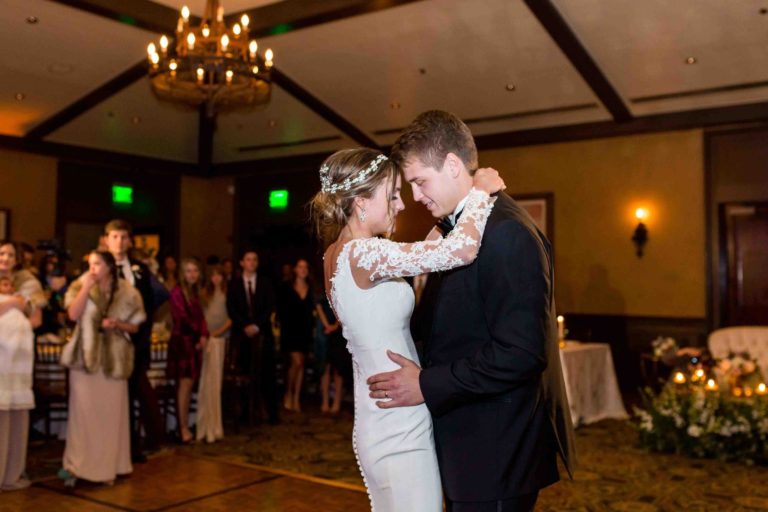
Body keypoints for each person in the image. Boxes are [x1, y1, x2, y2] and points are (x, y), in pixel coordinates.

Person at [367, 110, 576, 512]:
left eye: (419, 181)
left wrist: (426, 384)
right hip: (469, 446)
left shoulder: (507, 232)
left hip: (495, 453)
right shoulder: (460, 232)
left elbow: (520, 353)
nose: (415, 197)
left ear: (451, 165)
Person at [311, 147, 503, 511]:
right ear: (362, 201)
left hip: (383, 414)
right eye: (393, 195)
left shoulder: (339, 253)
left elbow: (422, 255)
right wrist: (480, 192)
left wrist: (449, 213)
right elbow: (460, 252)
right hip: (398, 422)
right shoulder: (363, 254)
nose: (401, 205)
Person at [59, 250, 145, 487]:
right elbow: (72, 314)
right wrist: (86, 288)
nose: (93, 268)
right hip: (84, 357)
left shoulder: (127, 291)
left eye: (97, 264)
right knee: (82, 415)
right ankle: (75, 467)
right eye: (90, 264)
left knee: (109, 417)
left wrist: (117, 324)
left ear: (108, 266)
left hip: (113, 359)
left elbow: (136, 327)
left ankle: (108, 468)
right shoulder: (80, 285)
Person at [104, 220, 166, 461]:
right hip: (107, 342)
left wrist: (139, 333)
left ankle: (130, 446)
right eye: (115, 237)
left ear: (129, 241)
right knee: (109, 396)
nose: (119, 242)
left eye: (123, 237)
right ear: (106, 239)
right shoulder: (97, 266)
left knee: (131, 395)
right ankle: (108, 447)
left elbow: (151, 305)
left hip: (135, 342)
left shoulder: (139, 269)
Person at [0, 241, 45, 492]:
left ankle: (11, 473)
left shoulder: (28, 284)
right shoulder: (15, 296)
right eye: (1, 253)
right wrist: (12, 303)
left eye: (10, 254)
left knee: (16, 415)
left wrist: (22, 307)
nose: (5, 258)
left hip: (19, 358)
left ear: (17, 259)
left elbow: (37, 319)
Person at [226, 249, 278, 425]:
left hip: (263, 335)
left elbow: (270, 306)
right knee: (244, 376)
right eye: (248, 259)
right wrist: (245, 326)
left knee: (267, 375)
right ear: (242, 263)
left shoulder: (265, 282)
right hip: (242, 337)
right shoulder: (234, 284)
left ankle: (271, 414)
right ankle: (244, 413)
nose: (251, 262)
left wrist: (256, 325)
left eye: (254, 259)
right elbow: (231, 308)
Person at [168, 258, 208, 444]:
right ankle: (182, 428)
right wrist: (196, 337)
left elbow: (201, 319)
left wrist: (203, 335)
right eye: (188, 271)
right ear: (182, 274)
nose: (192, 274)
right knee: (184, 386)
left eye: (195, 271)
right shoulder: (177, 292)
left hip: (194, 343)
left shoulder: (195, 293)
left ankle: (184, 426)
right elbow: (181, 319)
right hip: (183, 344)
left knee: (189, 385)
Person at [277, 259, 315, 413]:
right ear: (295, 269)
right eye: (300, 266)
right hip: (290, 330)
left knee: (301, 364)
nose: (303, 269)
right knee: (296, 362)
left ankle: (296, 397)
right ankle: (288, 393)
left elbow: (312, 310)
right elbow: (280, 310)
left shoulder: (311, 288)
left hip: (305, 331)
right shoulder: (286, 287)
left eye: (305, 267)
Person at [197, 265, 230, 443]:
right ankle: (203, 422)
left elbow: (230, 319)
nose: (216, 278)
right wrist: (205, 334)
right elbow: (200, 317)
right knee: (205, 381)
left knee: (214, 383)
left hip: (220, 340)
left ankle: (214, 424)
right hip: (206, 340)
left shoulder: (227, 293)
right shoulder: (204, 294)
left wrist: (215, 334)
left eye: (219, 275)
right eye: (213, 275)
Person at [316, 294, 349, 414]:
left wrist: (335, 326)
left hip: (340, 329)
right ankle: (324, 401)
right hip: (323, 330)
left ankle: (336, 401)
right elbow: (318, 305)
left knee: (338, 368)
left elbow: (346, 306)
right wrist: (327, 326)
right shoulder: (320, 285)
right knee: (325, 366)